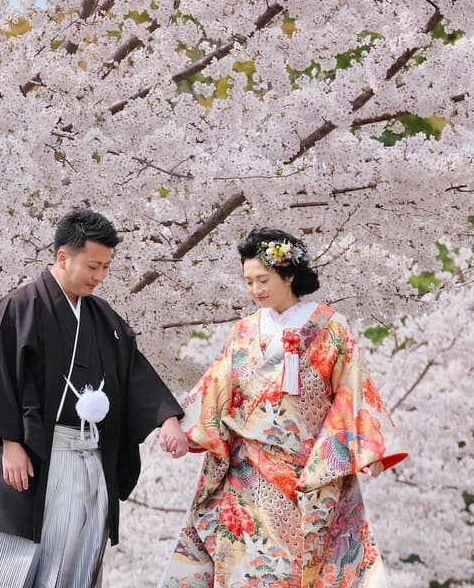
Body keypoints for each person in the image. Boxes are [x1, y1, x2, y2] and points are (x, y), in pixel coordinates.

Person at [158, 227, 408, 588]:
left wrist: (356, 450)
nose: (255, 289)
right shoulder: (245, 330)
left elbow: (351, 390)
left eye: (263, 280)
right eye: (248, 281)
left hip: (309, 469)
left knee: (300, 569)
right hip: (246, 470)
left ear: (289, 275)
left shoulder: (330, 326)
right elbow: (216, 387)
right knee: (243, 567)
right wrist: (176, 426)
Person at [0, 209, 190, 588]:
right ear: (63, 257)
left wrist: (167, 418)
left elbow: (134, 372)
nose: (100, 276)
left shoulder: (103, 317)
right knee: (11, 557)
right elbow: (1, 377)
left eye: (106, 267)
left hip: (90, 456)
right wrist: (10, 444)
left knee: (77, 556)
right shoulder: (20, 306)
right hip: (36, 452)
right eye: (93, 266)